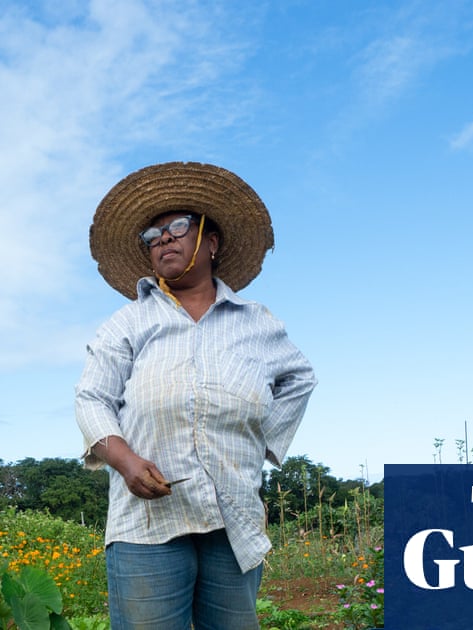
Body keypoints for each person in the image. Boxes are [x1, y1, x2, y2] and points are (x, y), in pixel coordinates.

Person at [75, 162, 317, 630]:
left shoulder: (257, 322)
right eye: (152, 235)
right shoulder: (128, 323)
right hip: (147, 520)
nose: (163, 238)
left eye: (178, 227)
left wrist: (260, 444)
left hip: (234, 515)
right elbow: (91, 398)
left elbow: (300, 379)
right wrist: (126, 462)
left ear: (211, 242)